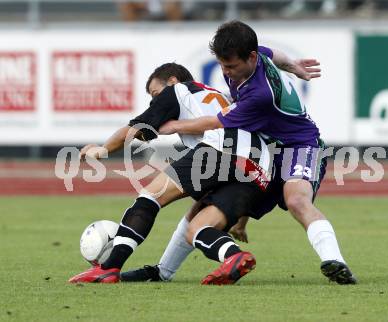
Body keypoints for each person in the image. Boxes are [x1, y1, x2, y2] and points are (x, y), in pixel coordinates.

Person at [138, 21, 357, 285]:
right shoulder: (254, 54)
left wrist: (175, 126)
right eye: (222, 65)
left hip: (299, 145)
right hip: (262, 150)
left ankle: (335, 261)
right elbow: (274, 54)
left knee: (297, 200)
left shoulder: (260, 94)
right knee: (203, 204)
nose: (226, 73)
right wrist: (293, 65)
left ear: (251, 58)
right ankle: (163, 272)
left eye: (231, 66)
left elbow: (217, 122)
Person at [68, 63, 280, 285]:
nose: (154, 101)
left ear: (172, 81)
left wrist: (102, 150)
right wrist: (242, 220)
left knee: (151, 196)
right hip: (261, 169)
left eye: (155, 93)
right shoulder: (224, 96)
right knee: (196, 227)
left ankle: (109, 268)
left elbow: (136, 129)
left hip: (221, 150)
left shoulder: (178, 90)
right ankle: (232, 257)